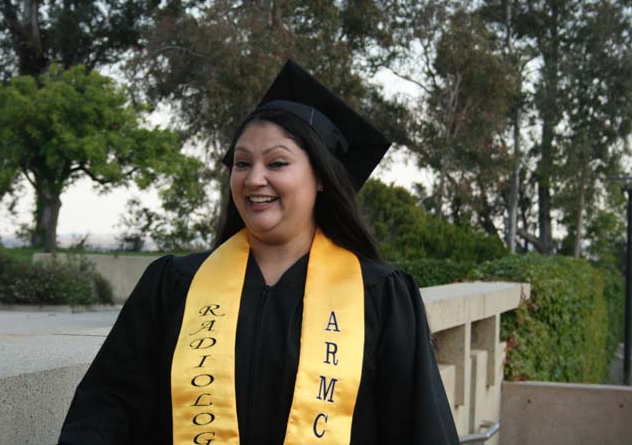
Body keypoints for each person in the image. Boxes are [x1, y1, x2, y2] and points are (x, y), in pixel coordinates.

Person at [58, 61, 459, 444]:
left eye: (277, 162)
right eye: (241, 163)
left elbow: (417, 427)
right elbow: (109, 407)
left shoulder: (379, 297)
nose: (254, 179)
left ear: (320, 176)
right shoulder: (175, 285)